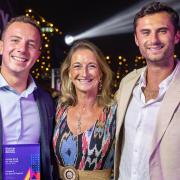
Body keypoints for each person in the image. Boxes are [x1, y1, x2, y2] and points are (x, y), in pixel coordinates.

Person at [114, 1, 180, 180]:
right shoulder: (127, 84)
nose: (154, 40)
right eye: (145, 32)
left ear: (176, 36)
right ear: (137, 39)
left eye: (162, 31)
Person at [0, 15, 56, 179]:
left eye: (31, 44)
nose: (22, 49)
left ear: (37, 55)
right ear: (1, 46)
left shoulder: (46, 101)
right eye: (15, 40)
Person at [53, 40, 117, 180]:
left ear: (101, 73)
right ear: (69, 73)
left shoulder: (114, 112)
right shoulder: (60, 109)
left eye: (92, 66)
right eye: (77, 66)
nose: (84, 73)